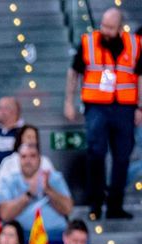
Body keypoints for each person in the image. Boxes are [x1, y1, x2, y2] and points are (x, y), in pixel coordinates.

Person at [65, 7, 140, 220]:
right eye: (104, 25)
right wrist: (68, 101)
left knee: (123, 157)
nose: (106, 30)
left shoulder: (134, 44)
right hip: (96, 106)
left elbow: (140, 76)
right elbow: (74, 72)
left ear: (120, 28)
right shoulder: (88, 42)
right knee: (96, 154)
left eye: (111, 27)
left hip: (125, 107)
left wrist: (140, 107)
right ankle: (95, 204)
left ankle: (115, 205)